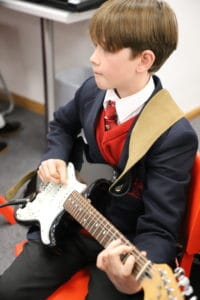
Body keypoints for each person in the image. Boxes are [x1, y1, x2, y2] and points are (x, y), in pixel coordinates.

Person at [0, 0, 198, 299]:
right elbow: (62, 126)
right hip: (66, 223)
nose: (93, 59)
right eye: (94, 46)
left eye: (106, 49)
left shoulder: (173, 135)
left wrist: (132, 276)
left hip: (121, 242)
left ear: (143, 60)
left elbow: (159, 229)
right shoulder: (92, 90)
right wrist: (54, 155)